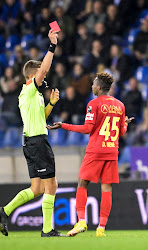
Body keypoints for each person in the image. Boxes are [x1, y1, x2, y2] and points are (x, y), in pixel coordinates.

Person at [46, 73, 134, 237]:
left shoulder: (93, 104)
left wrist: (63, 125)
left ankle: (81, 221)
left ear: (99, 87)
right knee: (106, 188)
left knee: (82, 183)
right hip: (112, 151)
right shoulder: (120, 105)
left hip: (96, 150)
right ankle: (101, 228)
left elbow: (87, 129)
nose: (92, 86)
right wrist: (126, 124)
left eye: (93, 84)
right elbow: (121, 131)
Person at [0, 29, 64, 237]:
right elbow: (44, 69)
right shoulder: (29, 89)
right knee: (51, 185)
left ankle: (4, 211)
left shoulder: (32, 95)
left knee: (36, 188)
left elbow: (42, 118)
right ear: (32, 75)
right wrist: (52, 45)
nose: (43, 75)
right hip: (37, 142)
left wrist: (52, 104)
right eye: (39, 73)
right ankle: (47, 229)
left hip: (30, 141)